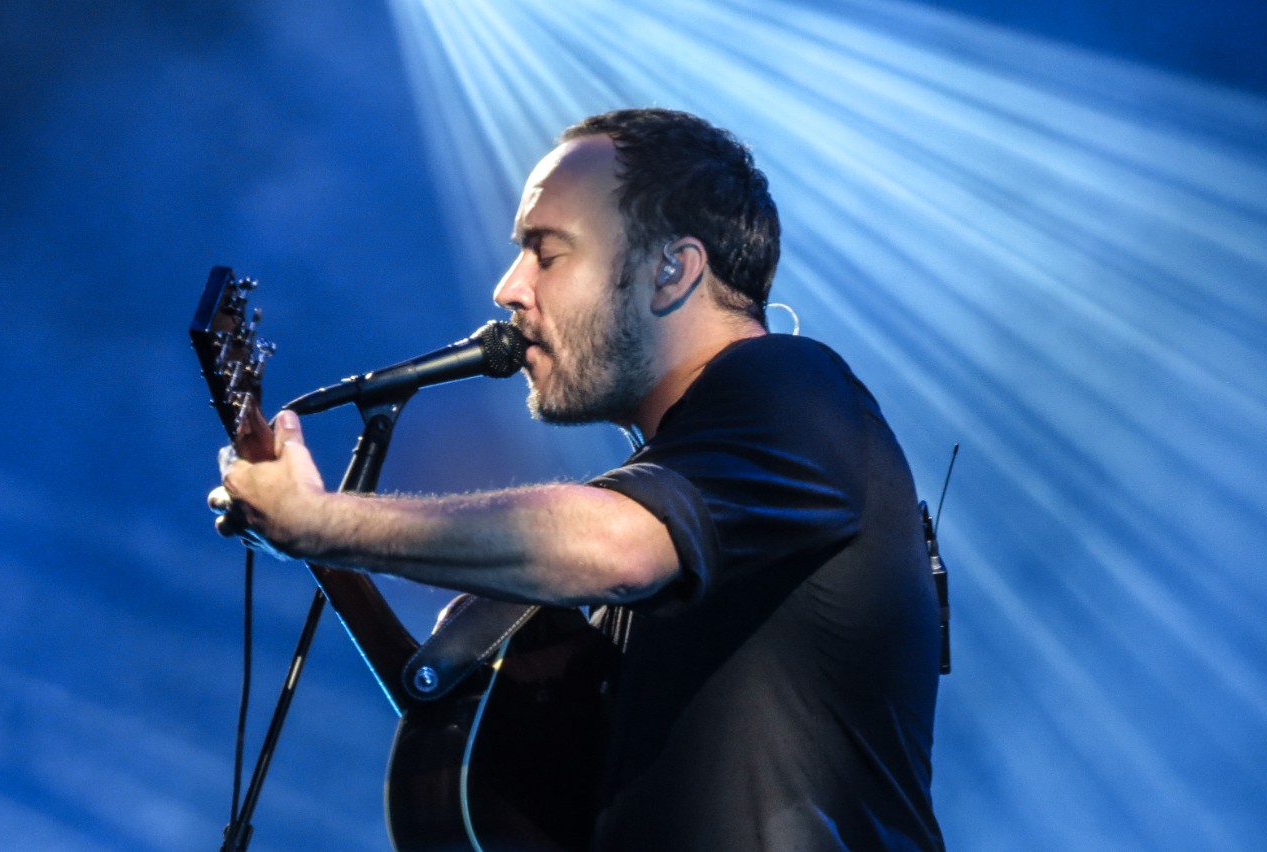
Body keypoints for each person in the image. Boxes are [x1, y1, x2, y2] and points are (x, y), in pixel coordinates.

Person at [210, 108, 945, 850]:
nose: (508, 289)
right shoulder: (689, 513)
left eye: (547, 253)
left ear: (671, 270)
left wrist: (320, 523)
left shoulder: (792, 386)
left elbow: (613, 548)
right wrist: (323, 547)